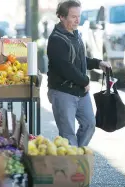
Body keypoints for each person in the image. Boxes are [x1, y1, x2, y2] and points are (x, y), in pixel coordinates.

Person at [46, 0, 111, 147]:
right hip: (62, 92)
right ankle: (72, 165)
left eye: (78, 16)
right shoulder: (56, 39)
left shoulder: (75, 34)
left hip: (80, 92)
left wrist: (98, 63)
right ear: (61, 17)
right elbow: (65, 67)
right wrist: (85, 81)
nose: (77, 20)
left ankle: (77, 157)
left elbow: (80, 59)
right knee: (67, 134)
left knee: (89, 125)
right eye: (73, 16)